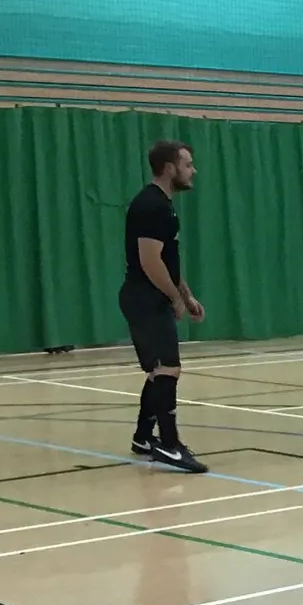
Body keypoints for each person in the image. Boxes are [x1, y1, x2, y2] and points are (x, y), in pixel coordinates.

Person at [119, 139, 208, 473]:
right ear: (170, 168)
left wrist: (185, 294)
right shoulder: (152, 205)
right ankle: (168, 445)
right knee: (168, 368)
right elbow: (150, 260)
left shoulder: (163, 205)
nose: (193, 170)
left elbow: (168, 260)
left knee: (159, 370)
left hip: (149, 296)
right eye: (188, 164)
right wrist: (172, 297)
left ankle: (144, 437)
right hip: (144, 298)